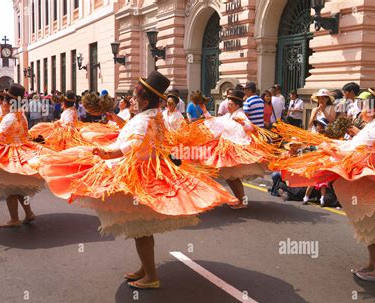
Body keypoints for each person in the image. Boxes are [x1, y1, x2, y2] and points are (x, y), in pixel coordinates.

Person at [39, 71, 238, 289]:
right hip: (146, 171)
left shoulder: (147, 119)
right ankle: (145, 268)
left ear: (144, 99)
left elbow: (134, 145)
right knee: (141, 228)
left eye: (135, 95)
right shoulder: (153, 116)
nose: (132, 99)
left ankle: (151, 277)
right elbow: (137, 137)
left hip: (139, 176)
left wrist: (109, 154)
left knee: (140, 229)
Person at [274, 80, 375, 283]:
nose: (364, 107)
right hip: (373, 178)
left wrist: (321, 144)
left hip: (371, 182)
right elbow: (356, 144)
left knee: (370, 225)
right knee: (368, 225)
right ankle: (373, 265)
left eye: (369, 104)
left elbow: (352, 149)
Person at [0, 84, 52, 228]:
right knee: (19, 187)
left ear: (8, 101)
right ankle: (29, 213)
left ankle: (14, 219)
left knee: (9, 189)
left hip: (10, 156)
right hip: (23, 153)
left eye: (5, 100)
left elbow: (0, 137)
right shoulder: (21, 115)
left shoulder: (10, 117)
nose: (3, 103)